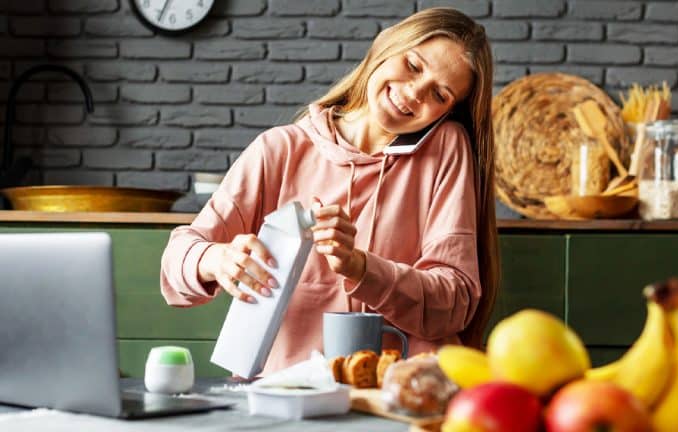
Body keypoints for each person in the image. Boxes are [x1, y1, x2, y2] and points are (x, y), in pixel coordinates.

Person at [160, 7, 499, 374]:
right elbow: (176, 263)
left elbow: (454, 303)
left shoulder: (446, 149)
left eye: (440, 94)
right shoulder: (280, 149)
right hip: (288, 391)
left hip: (401, 395)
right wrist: (218, 259)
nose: (415, 93)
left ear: (447, 112)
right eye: (414, 66)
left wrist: (361, 267)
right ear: (387, 45)